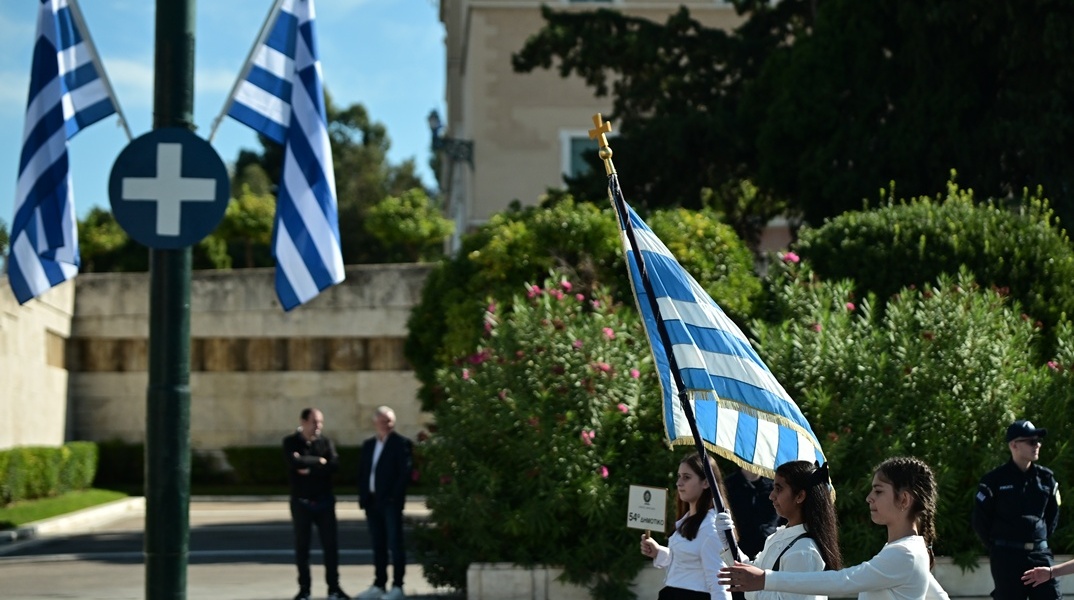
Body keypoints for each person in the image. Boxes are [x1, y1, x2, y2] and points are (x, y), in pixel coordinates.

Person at [718, 456, 950, 600]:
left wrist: (766, 579)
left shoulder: (905, 553)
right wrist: (728, 542)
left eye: (879, 491)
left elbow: (843, 581)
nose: (869, 498)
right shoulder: (907, 550)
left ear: (904, 500)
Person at [722, 460, 842, 600]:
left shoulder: (804, 550)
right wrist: (728, 542)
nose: (771, 496)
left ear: (800, 496)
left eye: (779, 489)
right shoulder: (780, 537)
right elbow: (753, 570)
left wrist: (752, 588)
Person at [973, 419, 1062, 600]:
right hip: (1006, 558)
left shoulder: (1046, 479)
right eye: (1031, 441)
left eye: (1038, 441)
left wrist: (1038, 539)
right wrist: (998, 547)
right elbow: (980, 520)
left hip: (1039, 555)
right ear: (1014, 445)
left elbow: (1052, 516)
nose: (1037, 445)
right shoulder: (994, 481)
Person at [640, 452, 733, 600]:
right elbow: (687, 564)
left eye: (686, 477)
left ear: (706, 482)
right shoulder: (688, 519)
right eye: (679, 476)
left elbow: (719, 585)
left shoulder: (710, 528)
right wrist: (659, 552)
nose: (679, 483)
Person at [284, 408, 349, 600]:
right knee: (302, 547)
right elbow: (293, 463)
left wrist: (311, 468)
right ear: (303, 422)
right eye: (314, 422)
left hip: (324, 501)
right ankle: (304, 590)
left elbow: (334, 466)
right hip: (301, 502)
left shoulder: (325, 442)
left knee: (330, 546)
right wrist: (319, 461)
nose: (318, 426)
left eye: (320, 422)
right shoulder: (290, 442)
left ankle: (334, 588)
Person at [356, 406, 414, 600]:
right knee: (377, 544)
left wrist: (393, 497)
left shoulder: (401, 443)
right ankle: (379, 584)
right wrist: (363, 496)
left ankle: (397, 586)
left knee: (395, 543)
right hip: (372, 502)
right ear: (375, 423)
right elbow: (364, 473)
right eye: (382, 421)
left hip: (390, 503)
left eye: (389, 421)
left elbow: (404, 474)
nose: (386, 424)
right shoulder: (369, 445)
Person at [724, 467, 781, 560]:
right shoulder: (729, 485)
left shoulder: (774, 486)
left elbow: (779, 519)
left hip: (768, 551)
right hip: (737, 550)